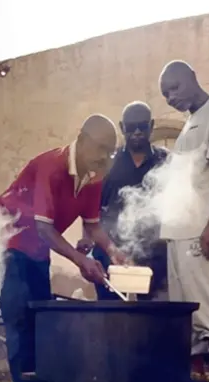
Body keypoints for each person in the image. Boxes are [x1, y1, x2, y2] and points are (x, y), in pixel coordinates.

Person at [0, 114, 124, 382]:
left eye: (109, 152)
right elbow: (44, 228)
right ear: (82, 139)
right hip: (10, 241)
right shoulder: (51, 166)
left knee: (40, 314)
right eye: (100, 148)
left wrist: (113, 251)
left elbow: (92, 225)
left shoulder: (94, 176)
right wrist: (81, 260)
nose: (104, 157)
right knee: (18, 313)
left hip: (39, 248)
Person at [158, 60, 209, 382]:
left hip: (201, 231)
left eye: (174, 88)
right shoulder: (188, 124)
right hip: (179, 234)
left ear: (192, 78)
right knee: (186, 313)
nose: (171, 98)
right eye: (165, 95)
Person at [77, 102, 169, 300]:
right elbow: (90, 206)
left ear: (151, 125)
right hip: (109, 252)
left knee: (153, 312)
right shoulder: (106, 163)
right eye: (131, 127)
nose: (137, 132)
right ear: (121, 127)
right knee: (110, 311)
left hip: (154, 255)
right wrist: (86, 239)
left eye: (142, 126)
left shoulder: (165, 161)